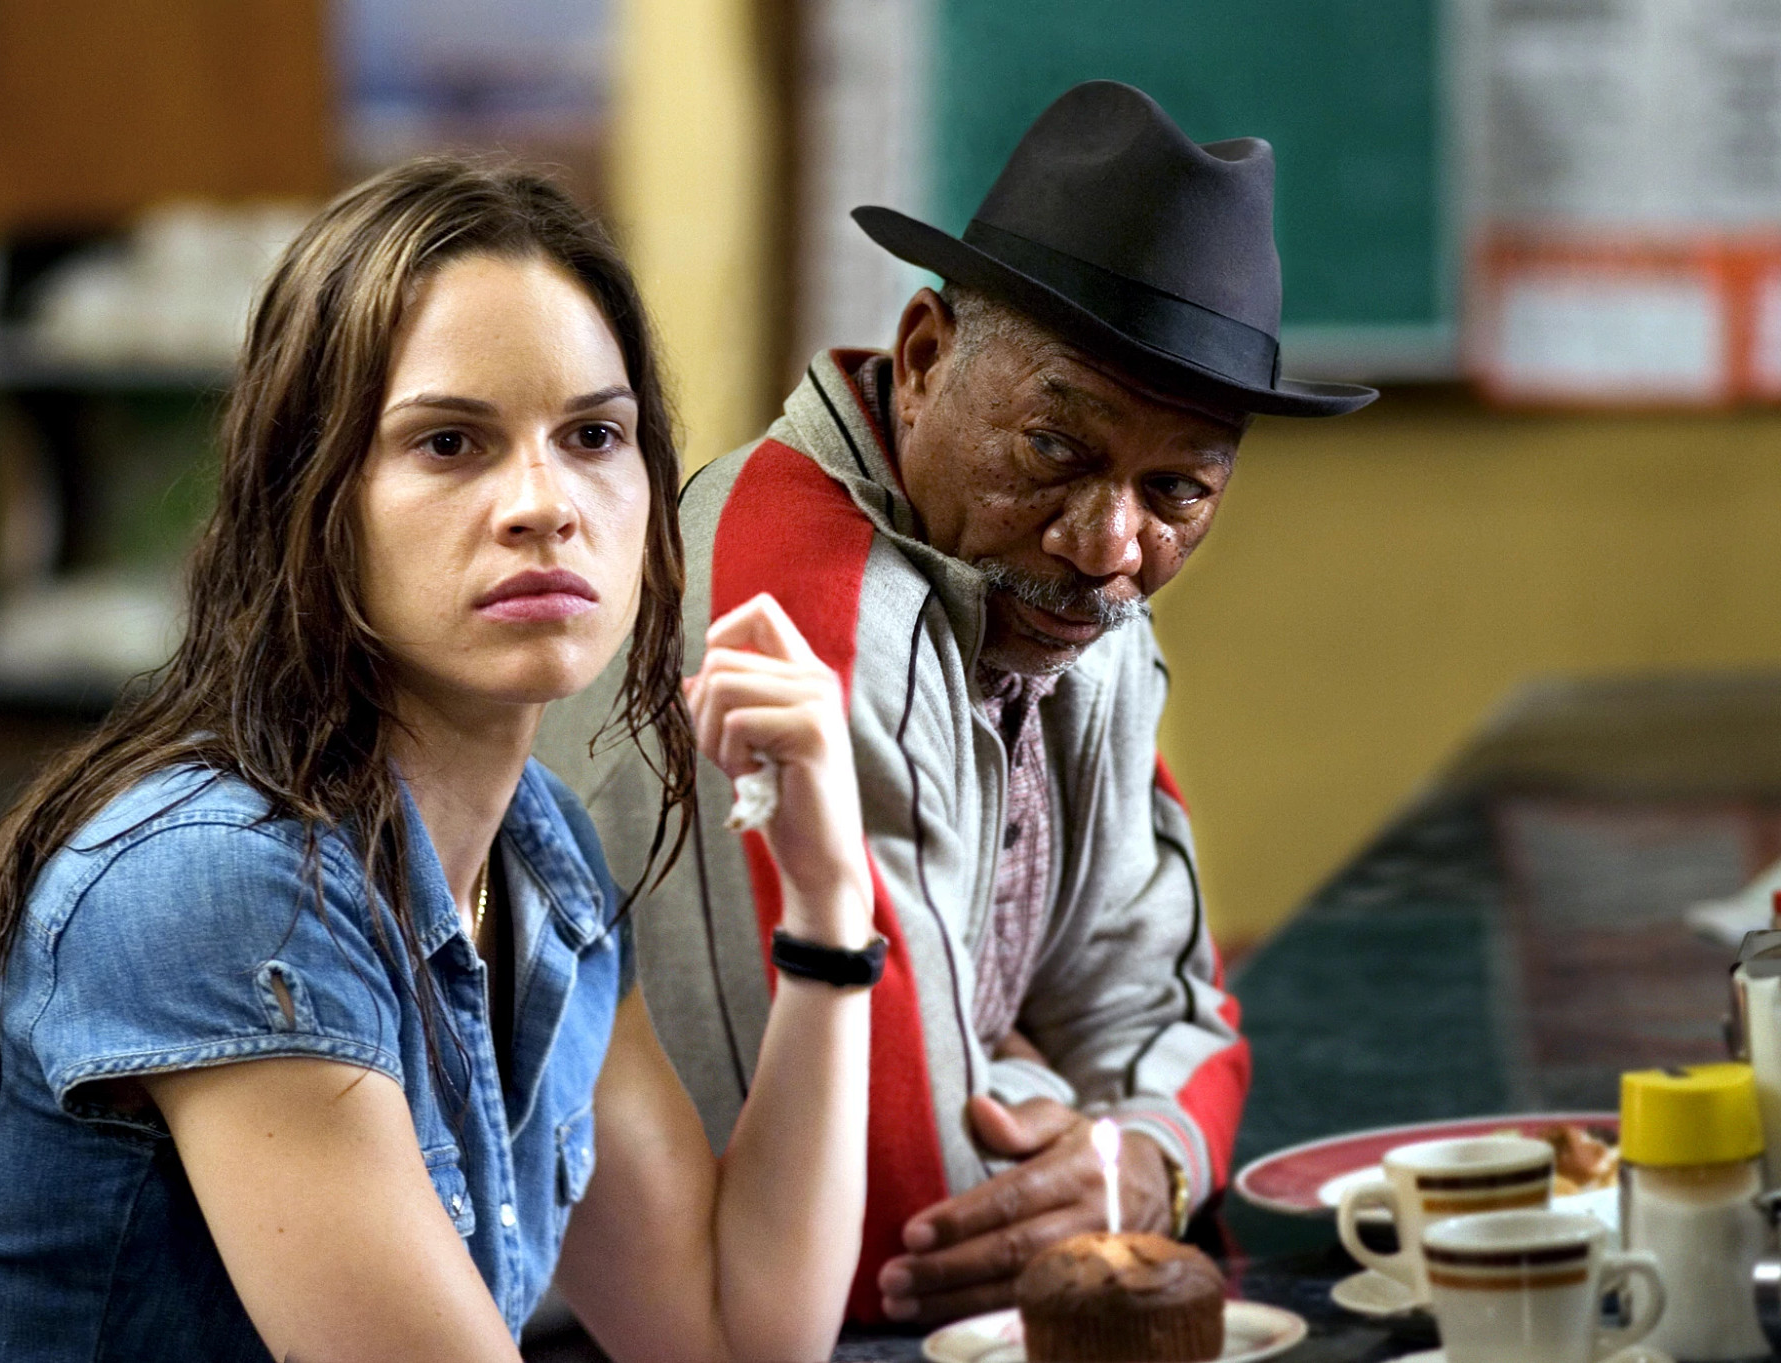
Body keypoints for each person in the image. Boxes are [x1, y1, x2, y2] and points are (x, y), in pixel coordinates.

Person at [0, 159, 881, 1363]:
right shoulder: (221, 881)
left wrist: (828, 906)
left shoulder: (538, 854)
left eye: (594, 435)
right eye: (450, 442)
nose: (544, 503)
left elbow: (730, 1336)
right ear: (311, 501)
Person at [536, 81, 1379, 1326]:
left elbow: (1163, 1011)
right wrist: (1068, 1121)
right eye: (1054, 449)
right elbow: (884, 1229)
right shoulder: (793, 605)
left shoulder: (1068, 610)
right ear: (923, 361)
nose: (1108, 547)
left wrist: (1126, 1156)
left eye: (1176, 493)